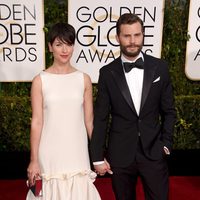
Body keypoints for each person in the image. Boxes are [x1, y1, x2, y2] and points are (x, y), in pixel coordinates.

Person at [90, 13, 176, 200]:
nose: (132, 41)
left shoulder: (160, 68)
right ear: (117, 37)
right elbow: (101, 117)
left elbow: (169, 111)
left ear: (143, 35)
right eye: (127, 36)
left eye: (137, 35)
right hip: (120, 154)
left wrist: (166, 144)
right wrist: (97, 156)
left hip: (154, 151)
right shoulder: (107, 73)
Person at [26, 22, 101, 200]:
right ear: (50, 47)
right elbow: (37, 122)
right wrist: (34, 159)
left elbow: (89, 122)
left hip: (77, 151)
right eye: (59, 44)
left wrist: (98, 156)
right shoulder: (40, 81)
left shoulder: (84, 79)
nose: (65, 49)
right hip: (49, 153)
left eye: (68, 44)